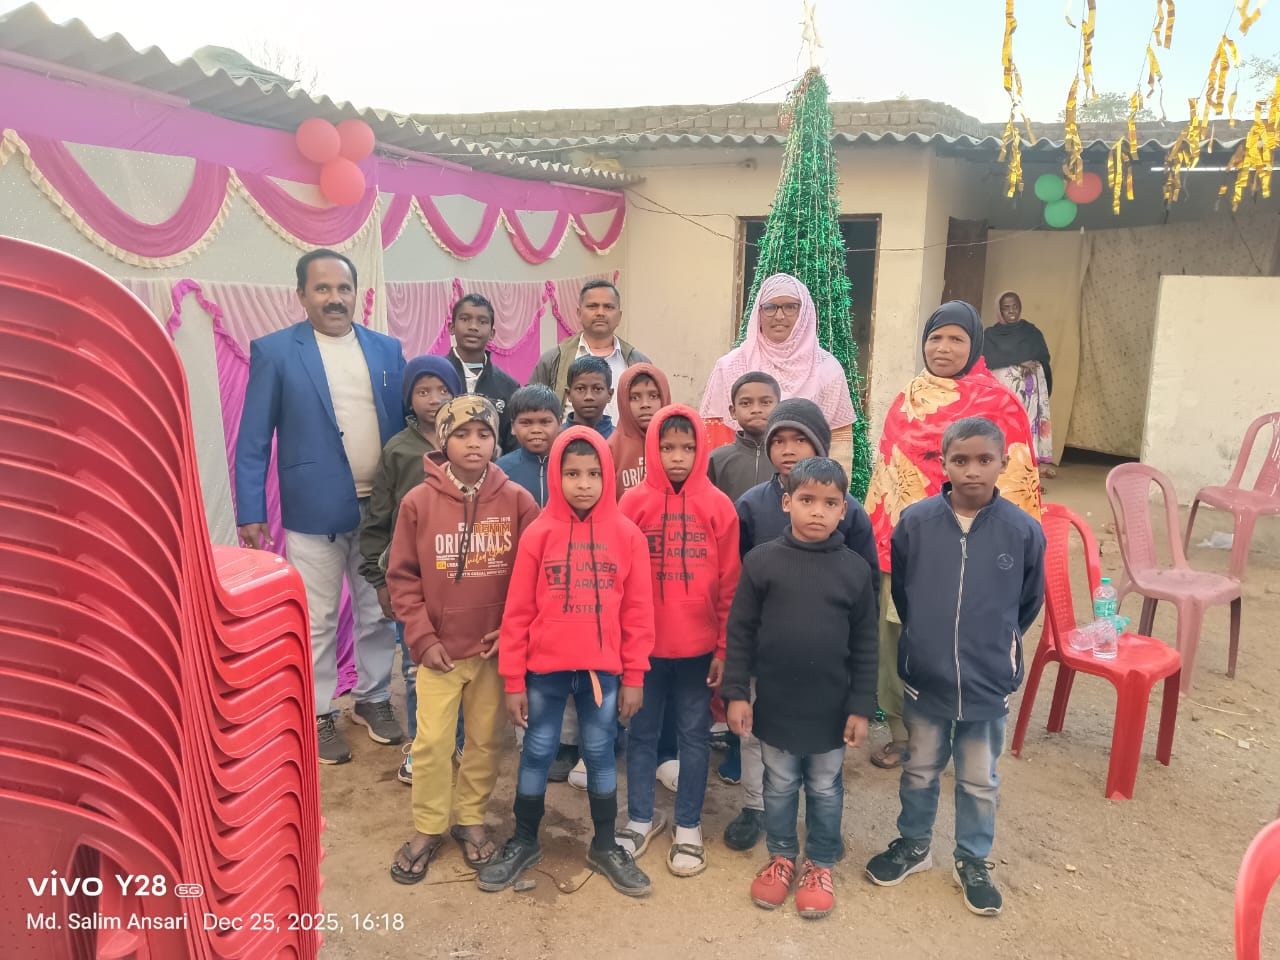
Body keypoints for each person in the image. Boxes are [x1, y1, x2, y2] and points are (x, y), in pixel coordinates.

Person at [865, 417, 1045, 917]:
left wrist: (998, 644)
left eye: (984, 460)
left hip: (988, 684)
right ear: (942, 464)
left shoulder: (1023, 531)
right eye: (960, 461)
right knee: (920, 769)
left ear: (1002, 465)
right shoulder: (916, 524)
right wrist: (924, 642)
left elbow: (1026, 604)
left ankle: (972, 859)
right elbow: (904, 591)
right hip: (926, 679)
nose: (972, 471)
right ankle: (914, 845)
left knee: (977, 778)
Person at [236, 248, 406, 765]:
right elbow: (252, 437)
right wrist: (249, 508)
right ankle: (318, 711)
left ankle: (373, 698)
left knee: (378, 610)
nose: (335, 298)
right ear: (302, 295)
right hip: (314, 509)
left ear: (357, 293)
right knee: (319, 617)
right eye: (323, 289)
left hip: (380, 511)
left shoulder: (386, 349)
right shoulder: (276, 351)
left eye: (344, 289)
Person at [862, 300, 1041, 771]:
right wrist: (876, 536)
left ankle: (961, 735)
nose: (943, 348)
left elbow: (1019, 481)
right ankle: (906, 736)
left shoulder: (1000, 405)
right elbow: (886, 473)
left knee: (959, 636)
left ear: (975, 344)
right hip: (905, 546)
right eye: (936, 337)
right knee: (900, 640)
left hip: (972, 550)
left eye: (956, 339)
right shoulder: (908, 398)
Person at [478, 427, 656, 897]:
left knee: (599, 753)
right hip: (545, 670)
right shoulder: (539, 533)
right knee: (537, 750)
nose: (583, 483)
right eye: (572, 473)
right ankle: (523, 839)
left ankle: (603, 843)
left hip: (603, 672)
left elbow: (639, 613)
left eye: (594, 473)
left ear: (608, 475)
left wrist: (634, 675)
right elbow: (517, 611)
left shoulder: (627, 536)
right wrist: (513, 678)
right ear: (556, 476)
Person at [385, 396, 540, 884]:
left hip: (494, 651)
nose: (473, 443)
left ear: (497, 441)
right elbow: (402, 578)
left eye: (483, 434)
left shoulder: (518, 500)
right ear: (441, 439)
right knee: (430, 742)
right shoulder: (418, 503)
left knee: (484, 742)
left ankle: (469, 818)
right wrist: (422, 637)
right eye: (461, 434)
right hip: (439, 655)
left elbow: (532, 577)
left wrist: (514, 628)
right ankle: (429, 826)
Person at [720, 398, 879, 850]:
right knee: (762, 749)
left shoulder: (851, 520)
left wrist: (860, 695)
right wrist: (736, 679)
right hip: (769, 663)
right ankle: (758, 812)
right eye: (779, 440)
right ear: (789, 501)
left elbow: (865, 603)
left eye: (801, 439)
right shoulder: (752, 506)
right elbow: (741, 595)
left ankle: (821, 841)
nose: (788, 449)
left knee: (824, 771)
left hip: (828, 672)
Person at [616, 405, 739, 878]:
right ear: (653, 448)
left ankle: (688, 824)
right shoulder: (632, 504)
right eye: (667, 447)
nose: (677, 457)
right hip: (644, 651)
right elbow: (619, 582)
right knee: (642, 734)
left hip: (698, 652)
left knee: (693, 735)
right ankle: (642, 817)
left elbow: (730, 582)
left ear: (701, 449)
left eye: (688, 448)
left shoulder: (719, 506)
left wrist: (724, 648)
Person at [358, 355, 462, 784]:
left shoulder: (472, 445)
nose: (434, 399)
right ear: (409, 398)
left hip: (464, 581)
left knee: (461, 667)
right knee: (417, 670)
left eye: (443, 390)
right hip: (415, 585)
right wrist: (381, 581)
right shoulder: (398, 451)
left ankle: (453, 743)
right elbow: (378, 521)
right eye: (424, 391)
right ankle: (424, 749)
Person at [699, 273, 856, 478]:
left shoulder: (828, 370)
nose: (779, 316)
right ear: (758, 312)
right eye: (770, 307)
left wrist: (828, 494)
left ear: (805, 311)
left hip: (805, 491)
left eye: (790, 307)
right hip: (737, 485)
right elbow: (713, 437)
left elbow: (839, 445)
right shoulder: (729, 366)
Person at [528, 279, 651, 423]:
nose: (600, 313)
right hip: (568, 444)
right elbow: (530, 410)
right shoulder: (554, 359)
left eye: (608, 307)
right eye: (592, 306)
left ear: (619, 316)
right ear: (579, 313)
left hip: (625, 446)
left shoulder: (638, 362)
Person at [982, 291, 1055, 476]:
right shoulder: (990, 335)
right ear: (999, 311)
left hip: (1030, 396)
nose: (1011, 311)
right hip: (1005, 398)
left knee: (1028, 430)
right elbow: (987, 360)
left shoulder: (1031, 331)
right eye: (1006, 308)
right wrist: (1018, 363)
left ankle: (1030, 477)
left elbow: (1043, 357)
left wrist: (1035, 365)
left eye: (1015, 306)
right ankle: (1005, 477)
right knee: (1005, 430)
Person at [445, 293, 521, 454]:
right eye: (465, 319)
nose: (473, 327)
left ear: (492, 333)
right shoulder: (435, 378)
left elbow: (513, 444)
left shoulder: (508, 386)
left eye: (482, 321)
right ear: (451, 327)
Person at [707, 372, 781, 503]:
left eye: (766, 402)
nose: (756, 409)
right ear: (733, 411)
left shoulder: (788, 457)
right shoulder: (717, 459)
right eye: (746, 403)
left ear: (779, 407)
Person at [610, 363, 671, 499]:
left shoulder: (676, 443)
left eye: (653, 396)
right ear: (623, 401)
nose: (645, 404)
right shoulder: (612, 449)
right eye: (635, 397)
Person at [496, 385, 562, 507]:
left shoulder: (571, 467)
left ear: (559, 423)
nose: (536, 430)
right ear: (513, 427)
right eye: (526, 423)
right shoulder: (500, 471)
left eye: (545, 422)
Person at [563, 355, 616, 439]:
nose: (589, 397)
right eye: (580, 389)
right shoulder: (556, 438)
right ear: (568, 394)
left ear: (609, 394)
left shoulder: (619, 441)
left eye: (597, 389)